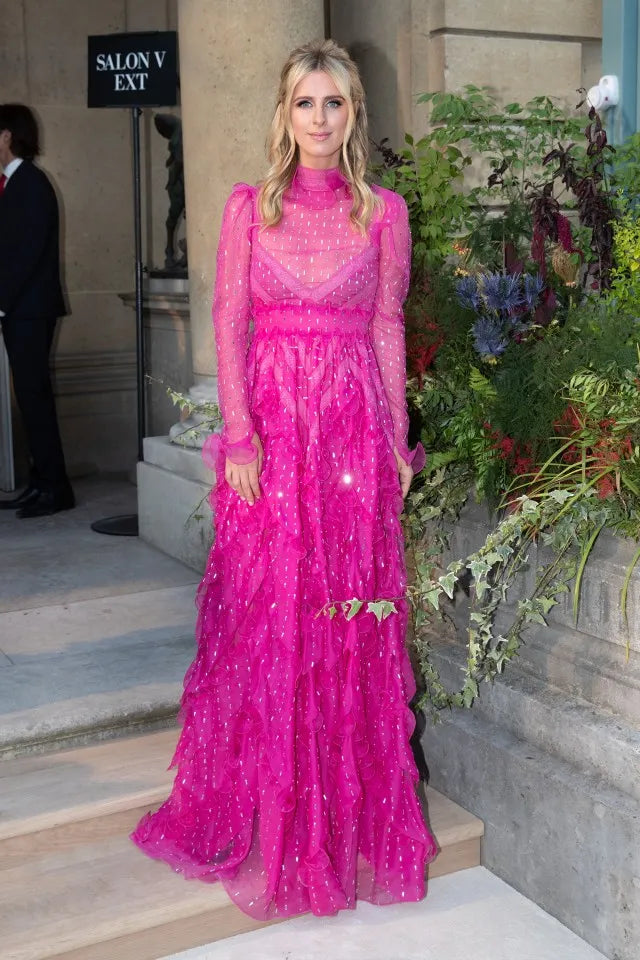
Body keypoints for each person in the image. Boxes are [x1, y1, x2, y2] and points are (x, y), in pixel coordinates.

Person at [131, 39, 437, 919]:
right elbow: (228, 322)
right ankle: (266, 816)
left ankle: (334, 825)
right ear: (285, 113)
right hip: (270, 436)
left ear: (353, 117)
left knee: (342, 618)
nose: (319, 119)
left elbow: (385, 330)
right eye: (306, 103)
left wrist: (397, 447)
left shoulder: (383, 214)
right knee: (266, 618)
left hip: (348, 439)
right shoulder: (245, 210)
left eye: (334, 104)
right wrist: (239, 438)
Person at [0, 104, 74, 518]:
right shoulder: (14, 183)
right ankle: (40, 482)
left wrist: (2, 302)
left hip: (28, 310)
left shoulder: (31, 182)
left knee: (35, 398)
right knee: (29, 399)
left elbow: (26, 255)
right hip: (19, 309)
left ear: (7, 136)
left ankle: (55, 489)